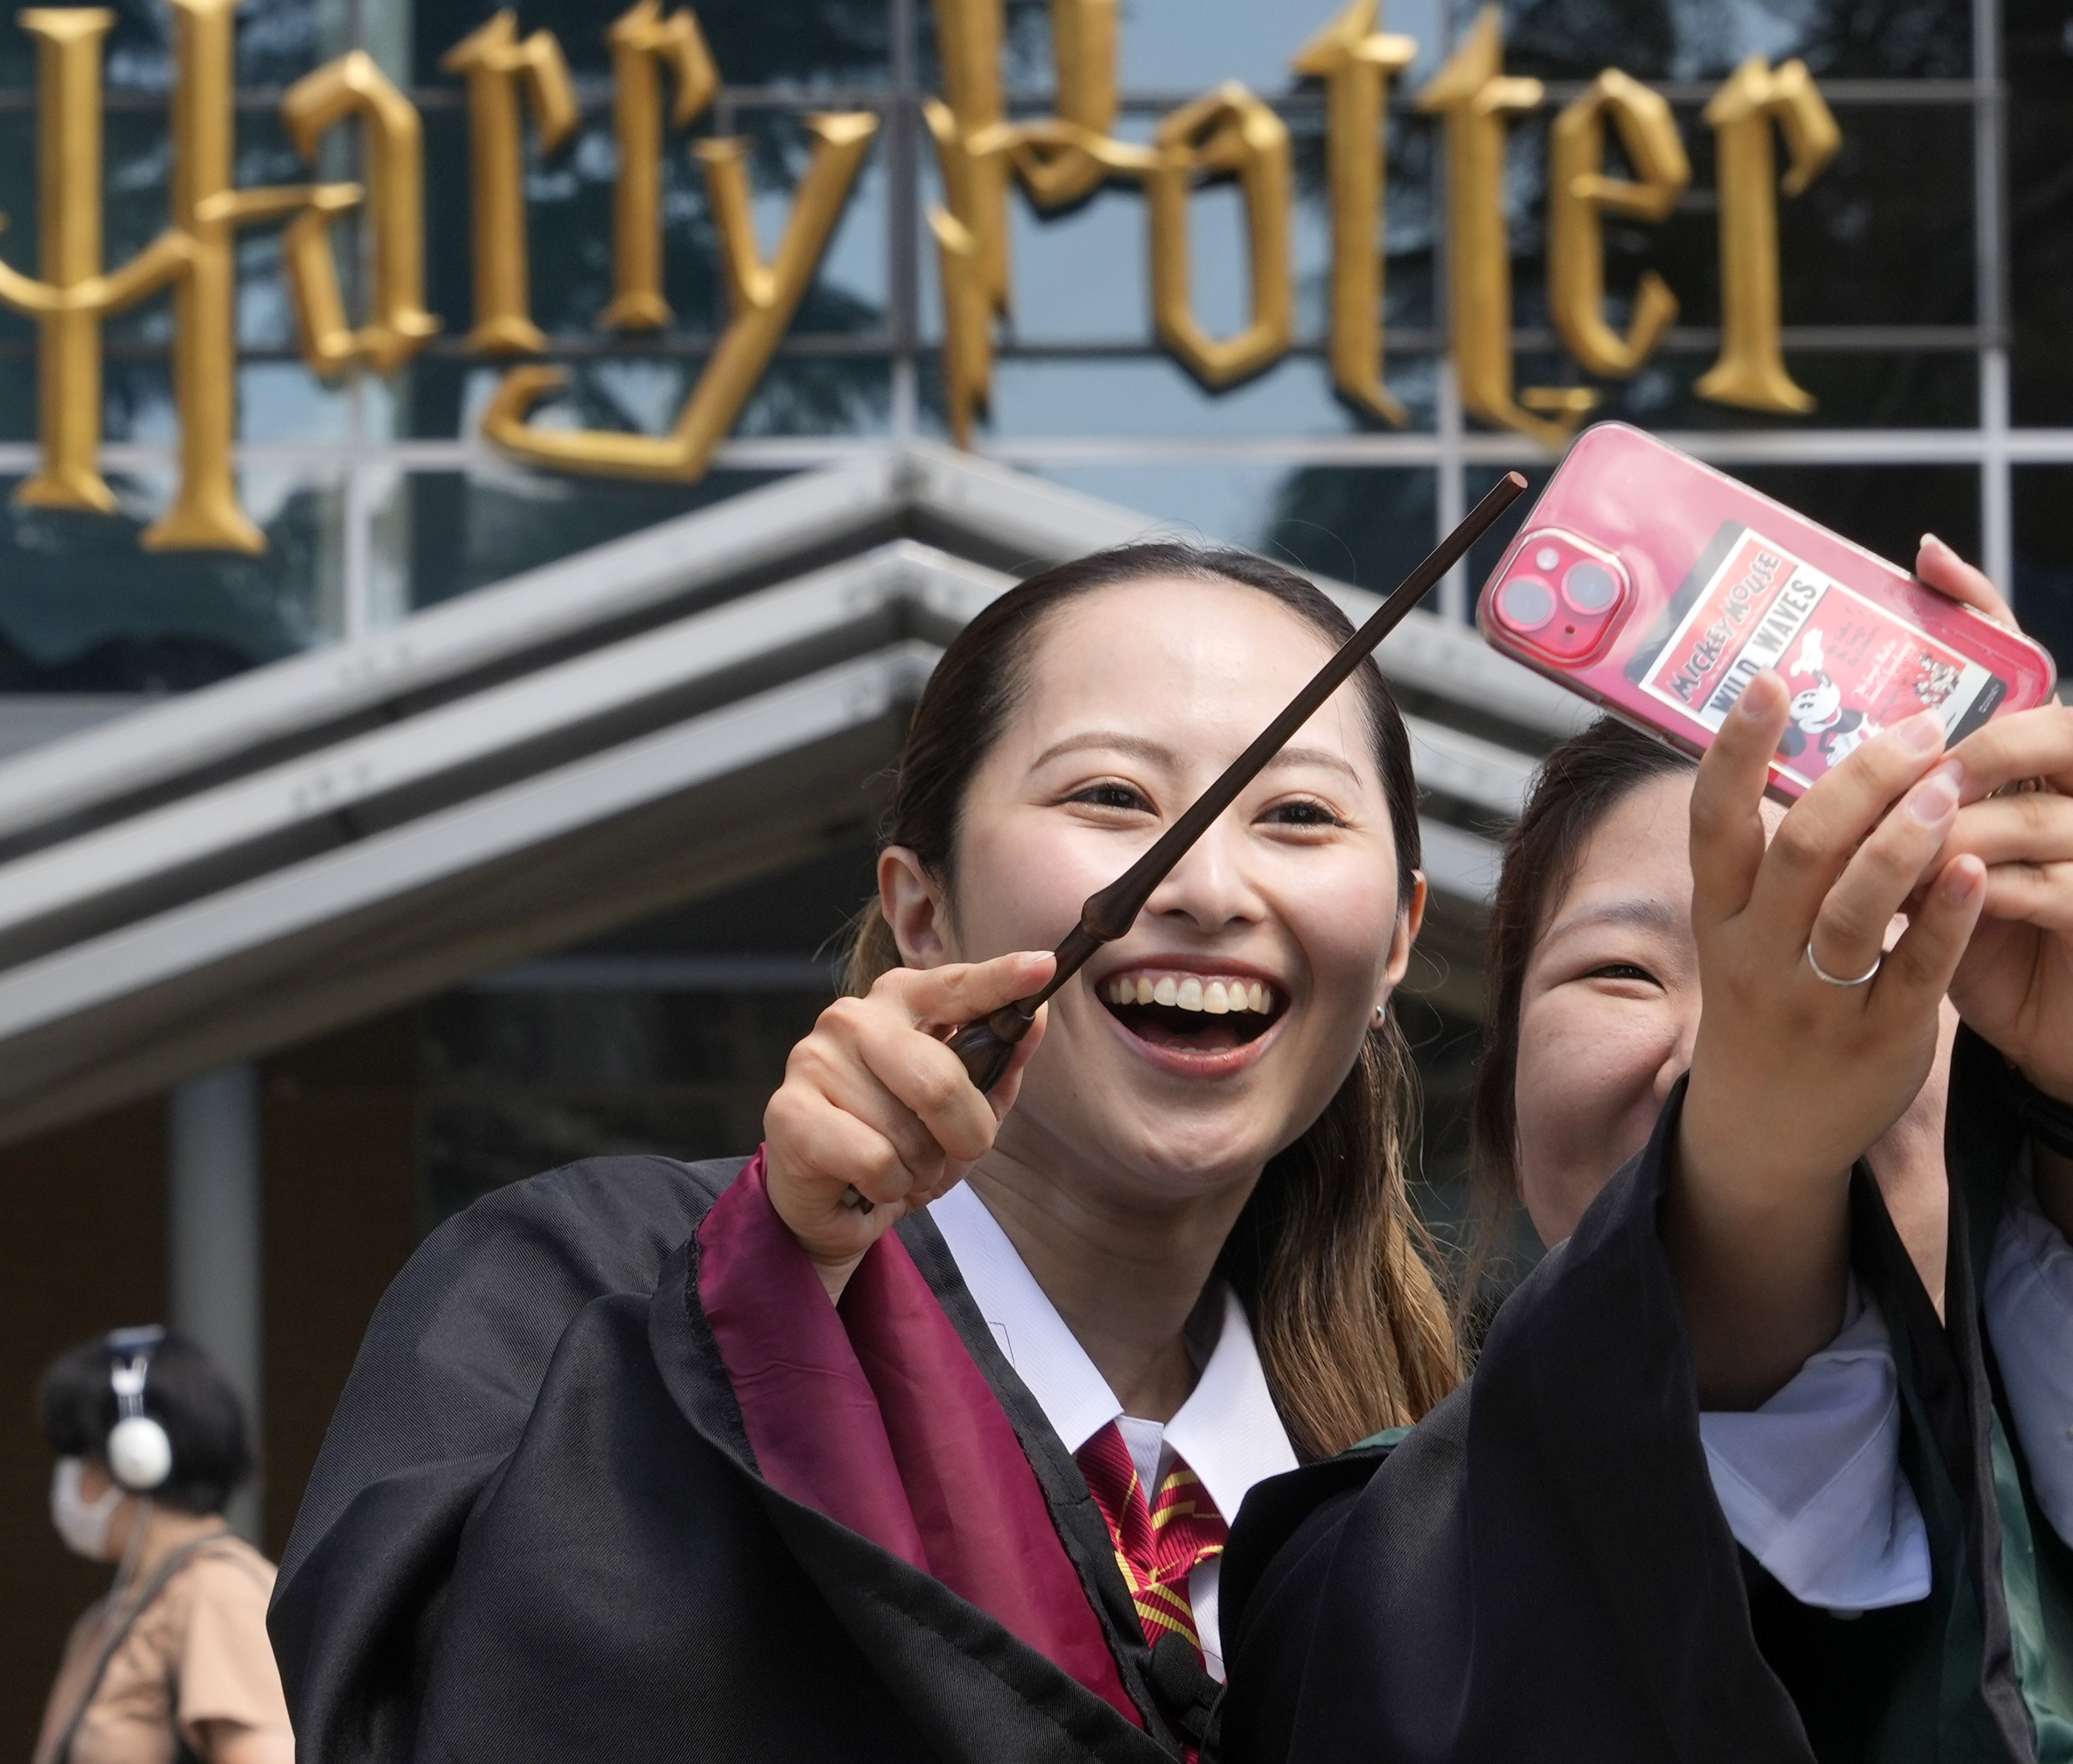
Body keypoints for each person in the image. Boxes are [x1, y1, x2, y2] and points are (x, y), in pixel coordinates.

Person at [1221, 539, 2073, 1763]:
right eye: (1619, 971)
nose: (1729, 1043)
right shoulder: (1373, 1573)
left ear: (2012, 1034)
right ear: (1501, 1089)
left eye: (1856, 943)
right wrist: (1749, 1178)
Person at [270, 542, 1457, 1761]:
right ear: (921, 910)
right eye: (1109, 795)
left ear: (1400, 938)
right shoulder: (578, 1286)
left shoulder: (1437, 1496)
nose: (1210, 886)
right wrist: (774, 1299)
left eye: (1301, 814)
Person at [32, 1327, 291, 1764]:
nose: (67, 1477)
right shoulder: (106, 1620)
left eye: (78, 1456)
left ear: (136, 1458)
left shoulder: (220, 1594)